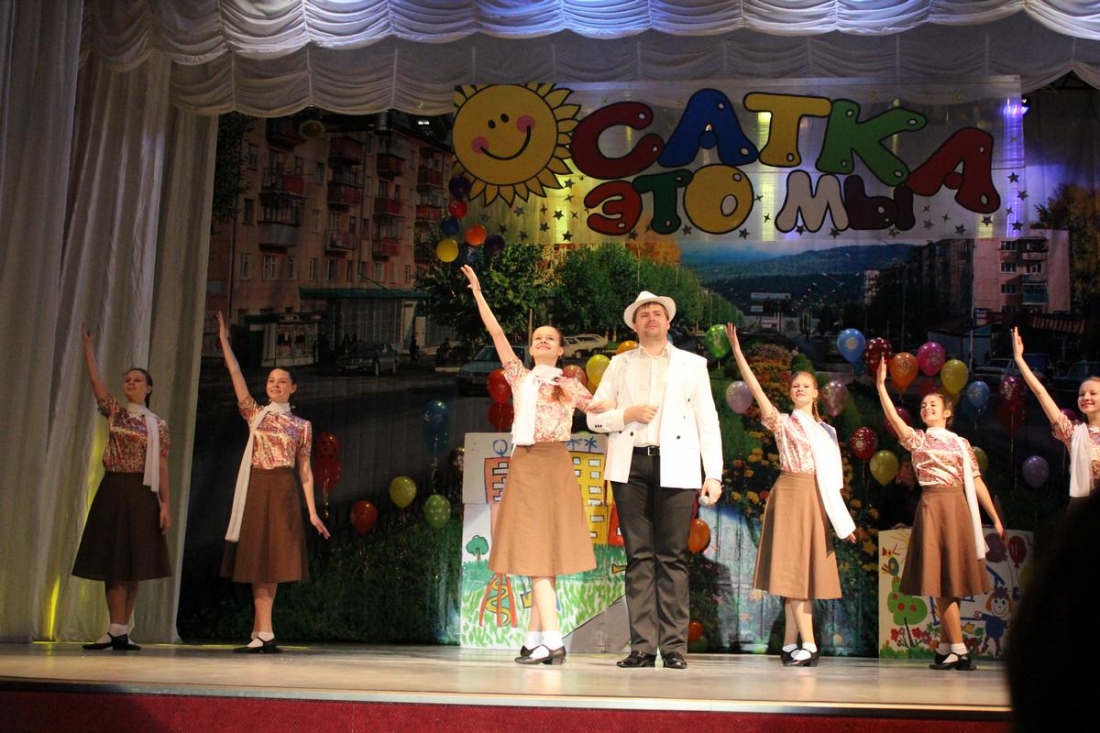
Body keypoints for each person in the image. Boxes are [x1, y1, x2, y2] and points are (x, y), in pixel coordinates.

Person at [460, 265, 611, 666]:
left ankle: (553, 641)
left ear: (561, 350)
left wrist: (628, 405)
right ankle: (534, 641)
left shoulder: (568, 384)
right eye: (537, 338)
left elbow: (598, 408)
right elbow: (496, 333)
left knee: (544, 554)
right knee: (535, 552)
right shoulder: (520, 377)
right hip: (526, 464)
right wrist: (478, 293)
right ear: (531, 348)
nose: (542, 341)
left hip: (555, 464)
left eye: (550, 338)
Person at [587, 291, 723, 670]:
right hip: (630, 466)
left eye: (657, 313)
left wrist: (713, 473)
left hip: (676, 465)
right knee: (639, 557)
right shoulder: (619, 365)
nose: (651, 317)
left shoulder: (693, 365)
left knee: (672, 556)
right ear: (635, 324)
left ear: (668, 322)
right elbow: (594, 418)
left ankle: (674, 647)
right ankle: (643, 647)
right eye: (644, 313)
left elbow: (708, 421)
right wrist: (626, 413)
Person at [726, 324, 855, 668]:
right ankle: (801, 644)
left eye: (806, 386)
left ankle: (798, 644)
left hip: (814, 498)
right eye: (795, 385)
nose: (799, 389)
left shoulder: (826, 432)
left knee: (801, 574)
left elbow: (833, 481)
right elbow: (756, 389)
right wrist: (738, 353)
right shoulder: (783, 422)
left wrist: (842, 521)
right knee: (793, 572)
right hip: (789, 494)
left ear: (816, 393)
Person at [875, 359, 1006, 670]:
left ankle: (949, 646)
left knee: (953, 578)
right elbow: (894, 419)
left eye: (933, 404)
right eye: (923, 405)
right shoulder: (919, 440)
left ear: (947, 412)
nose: (926, 408)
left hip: (958, 508)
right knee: (942, 579)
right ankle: (957, 648)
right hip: (933, 507)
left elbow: (976, 481)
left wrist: (996, 518)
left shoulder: (961, 444)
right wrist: (881, 386)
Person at [216, 312, 329, 654]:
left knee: (272, 561)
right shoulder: (255, 414)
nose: (275, 385)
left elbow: (305, 471)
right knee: (256, 560)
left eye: (282, 381)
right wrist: (223, 341)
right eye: (271, 380)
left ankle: (264, 632)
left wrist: (312, 512)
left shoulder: (301, 426)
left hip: (282, 491)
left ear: (293, 388)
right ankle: (261, 632)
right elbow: (236, 375)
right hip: (256, 488)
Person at [73, 322, 172, 652]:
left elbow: (162, 466)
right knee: (114, 560)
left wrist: (166, 504)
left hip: (143, 493)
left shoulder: (157, 425)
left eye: (136, 380)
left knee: (134, 562)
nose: (130, 383)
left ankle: (121, 629)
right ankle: (115, 628)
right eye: (127, 380)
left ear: (149, 387)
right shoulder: (116, 413)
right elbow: (95, 383)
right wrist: (88, 348)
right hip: (115, 489)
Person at [1012, 327, 1100, 503]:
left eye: (1093, 393)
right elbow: (1041, 392)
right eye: (1081, 394)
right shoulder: (1074, 433)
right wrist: (1019, 359)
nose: (1085, 397)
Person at [878, 457, 922, 529]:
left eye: (913, 466)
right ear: (901, 470)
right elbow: (883, 517)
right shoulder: (891, 490)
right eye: (906, 466)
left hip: (921, 531)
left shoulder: (925, 490)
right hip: (897, 532)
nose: (910, 469)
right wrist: (892, 528)